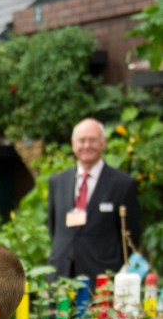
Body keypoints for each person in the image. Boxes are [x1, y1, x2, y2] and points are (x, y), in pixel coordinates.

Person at [48, 117, 141, 284]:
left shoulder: (123, 184)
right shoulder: (57, 182)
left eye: (93, 140)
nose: (86, 146)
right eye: (82, 140)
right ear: (73, 143)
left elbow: (131, 235)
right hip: (60, 274)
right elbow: (53, 228)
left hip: (101, 277)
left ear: (103, 143)